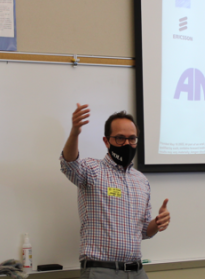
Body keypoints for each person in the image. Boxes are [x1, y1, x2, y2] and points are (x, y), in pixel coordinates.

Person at [60, 104, 171, 279]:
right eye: (120, 138)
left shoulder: (141, 180)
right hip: (101, 271)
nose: (127, 143)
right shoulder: (92, 170)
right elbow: (69, 165)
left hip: (137, 271)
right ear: (106, 141)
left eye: (132, 138)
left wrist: (157, 224)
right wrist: (75, 132)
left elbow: (143, 232)